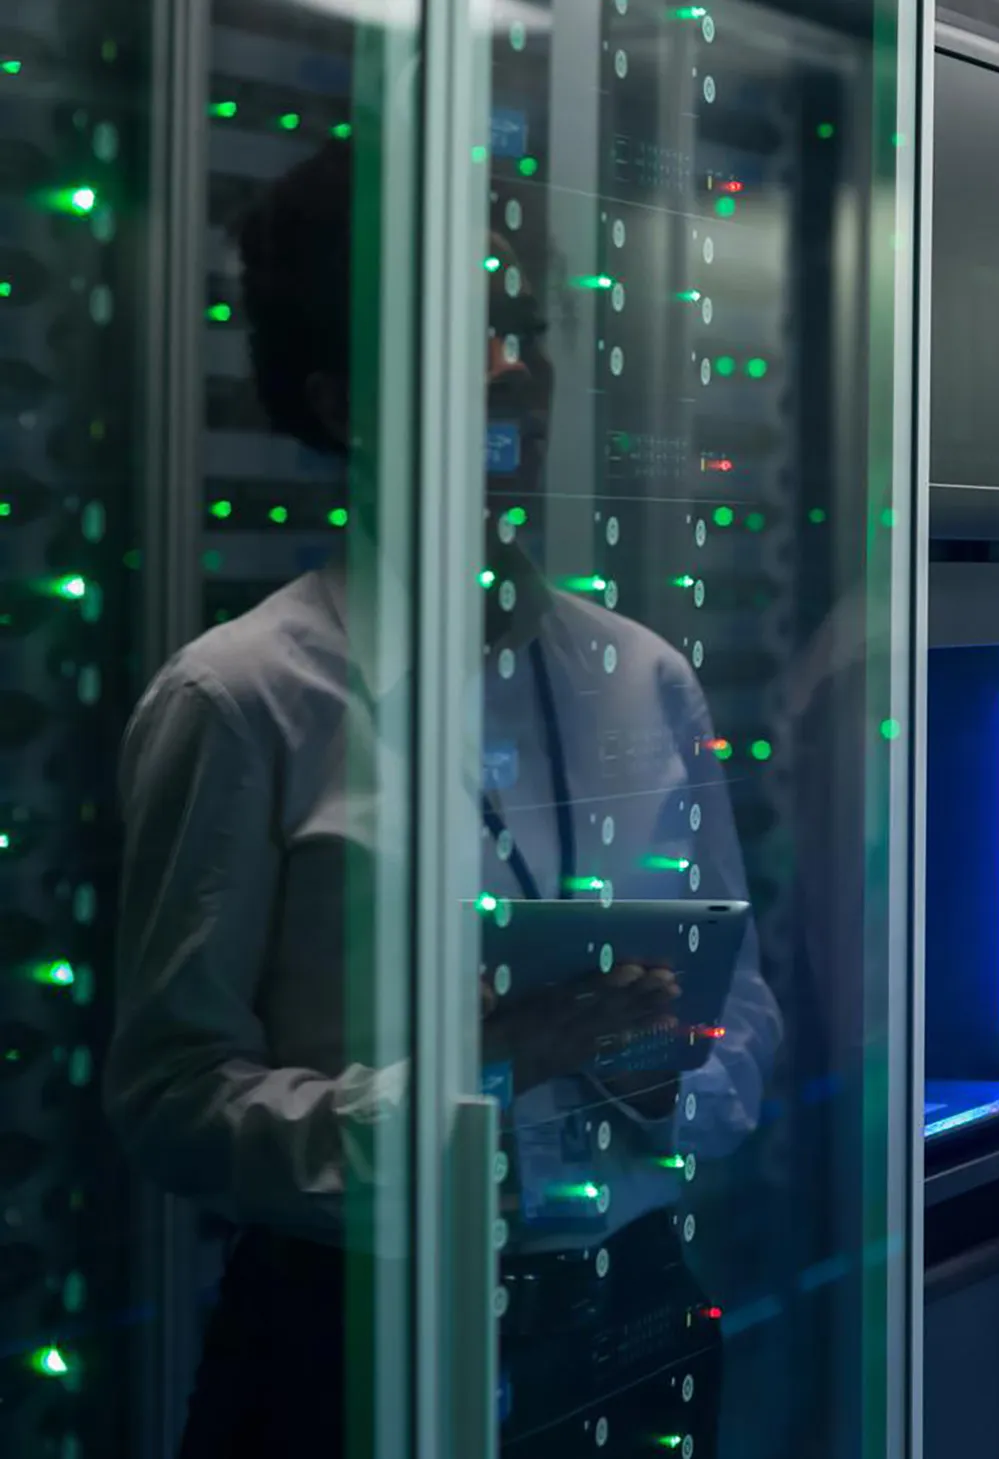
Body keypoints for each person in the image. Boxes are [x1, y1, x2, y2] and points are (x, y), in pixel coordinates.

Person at [105, 143, 780, 1457]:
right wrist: (481, 1073)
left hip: (631, 1308)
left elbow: (744, 1010)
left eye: (523, 324)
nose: (521, 364)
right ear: (345, 399)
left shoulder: (644, 676)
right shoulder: (243, 698)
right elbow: (172, 1099)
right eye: (471, 329)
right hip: (352, 1339)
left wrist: (657, 1069)